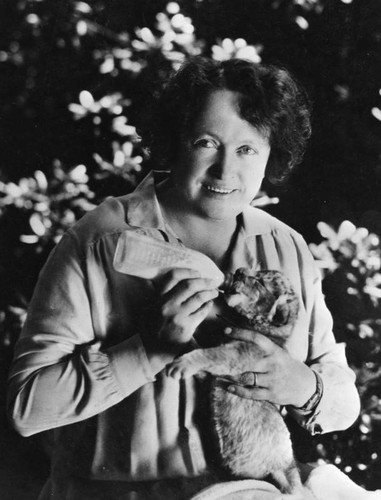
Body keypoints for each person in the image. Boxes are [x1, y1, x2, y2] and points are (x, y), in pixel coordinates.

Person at [7, 57, 361, 500]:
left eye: (248, 149)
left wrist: (302, 385)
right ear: (175, 141)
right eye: (207, 143)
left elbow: (344, 402)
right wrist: (148, 349)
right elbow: (26, 409)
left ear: (272, 155)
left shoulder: (285, 246)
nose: (225, 171)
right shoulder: (99, 240)